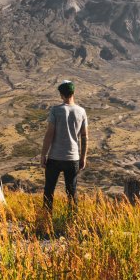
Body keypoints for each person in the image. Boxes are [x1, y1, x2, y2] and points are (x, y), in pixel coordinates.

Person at [40, 80, 87, 213]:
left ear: (61, 94)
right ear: (73, 92)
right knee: (72, 191)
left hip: (55, 157)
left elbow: (49, 134)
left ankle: (46, 218)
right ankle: (73, 219)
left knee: (49, 190)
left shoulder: (56, 110)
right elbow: (84, 137)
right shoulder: (81, 111)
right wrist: (83, 157)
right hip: (73, 158)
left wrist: (43, 154)